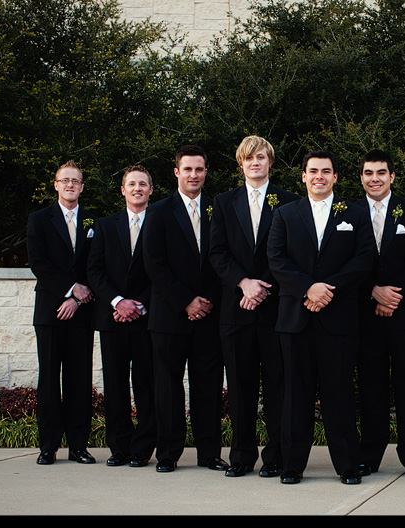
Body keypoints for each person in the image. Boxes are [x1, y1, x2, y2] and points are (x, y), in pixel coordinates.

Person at [267, 149, 375, 484]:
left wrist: (327, 290)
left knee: (339, 393)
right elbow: (276, 258)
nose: (319, 176)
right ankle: (291, 465)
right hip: (295, 319)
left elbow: (363, 259)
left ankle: (346, 465)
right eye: (313, 171)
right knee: (294, 395)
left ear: (336, 177)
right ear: (303, 176)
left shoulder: (355, 215)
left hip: (338, 317)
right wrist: (307, 290)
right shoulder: (285, 214)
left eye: (326, 171)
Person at [209, 136, 299, 477]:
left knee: (278, 386)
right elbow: (217, 252)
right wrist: (243, 283)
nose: (255, 163)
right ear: (241, 164)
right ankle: (242, 457)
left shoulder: (288, 202)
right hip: (236, 310)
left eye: (261, 157)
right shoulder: (223, 202)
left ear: (270, 162)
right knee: (240, 388)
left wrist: (262, 285)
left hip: (276, 310)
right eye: (249, 159)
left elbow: (290, 252)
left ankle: (275, 456)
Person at [142, 145, 226, 473]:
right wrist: (185, 301)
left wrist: (206, 301)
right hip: (169, 317)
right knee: (168, 388)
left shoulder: (218, 208)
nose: (194, 175)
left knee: (208, 388)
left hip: (208, 315)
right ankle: (168, 454)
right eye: (188, 169)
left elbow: (222, 257)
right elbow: (155, 264)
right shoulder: (159, 212)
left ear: (206, 172)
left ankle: (209, 453)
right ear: (176, 172)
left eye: (200, 169)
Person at [354, 149, 405, 478]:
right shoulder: (349, 212)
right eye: (369, 173)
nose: (375, 178)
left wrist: (392, 293)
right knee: (371, 386)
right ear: (361, 178)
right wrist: (373, 290)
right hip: (364, 314)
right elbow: (344, 260)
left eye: (381, 173)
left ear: (392, 177)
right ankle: (370, 455)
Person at [27, 159, 96, 465]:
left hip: (82, 312)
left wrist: (78, 300)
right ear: (55, 185)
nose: (70, 185)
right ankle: (49, 446)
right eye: (64, 180)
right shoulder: (39, 220)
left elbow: (96, 267)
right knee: (50, 379)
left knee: (79, 380)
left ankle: (79, 445)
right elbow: (38, 263)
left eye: (75, 181)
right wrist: (69, 290)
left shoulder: (94, 222)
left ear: (82, 187)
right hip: (50, 311)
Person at [87, 165, 157, 468]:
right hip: (112, 319)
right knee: (115, 385)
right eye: (132, 184)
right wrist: (118, 302)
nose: (137, 189)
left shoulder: (161, 222)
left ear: (151, 190)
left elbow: (164, 270)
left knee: (146, 385)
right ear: (123, 190)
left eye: (143, 184)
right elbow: (95, 271)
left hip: (147, 318)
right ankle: (119, 447)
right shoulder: (104, 226)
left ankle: (142, 449)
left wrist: (139, 305)